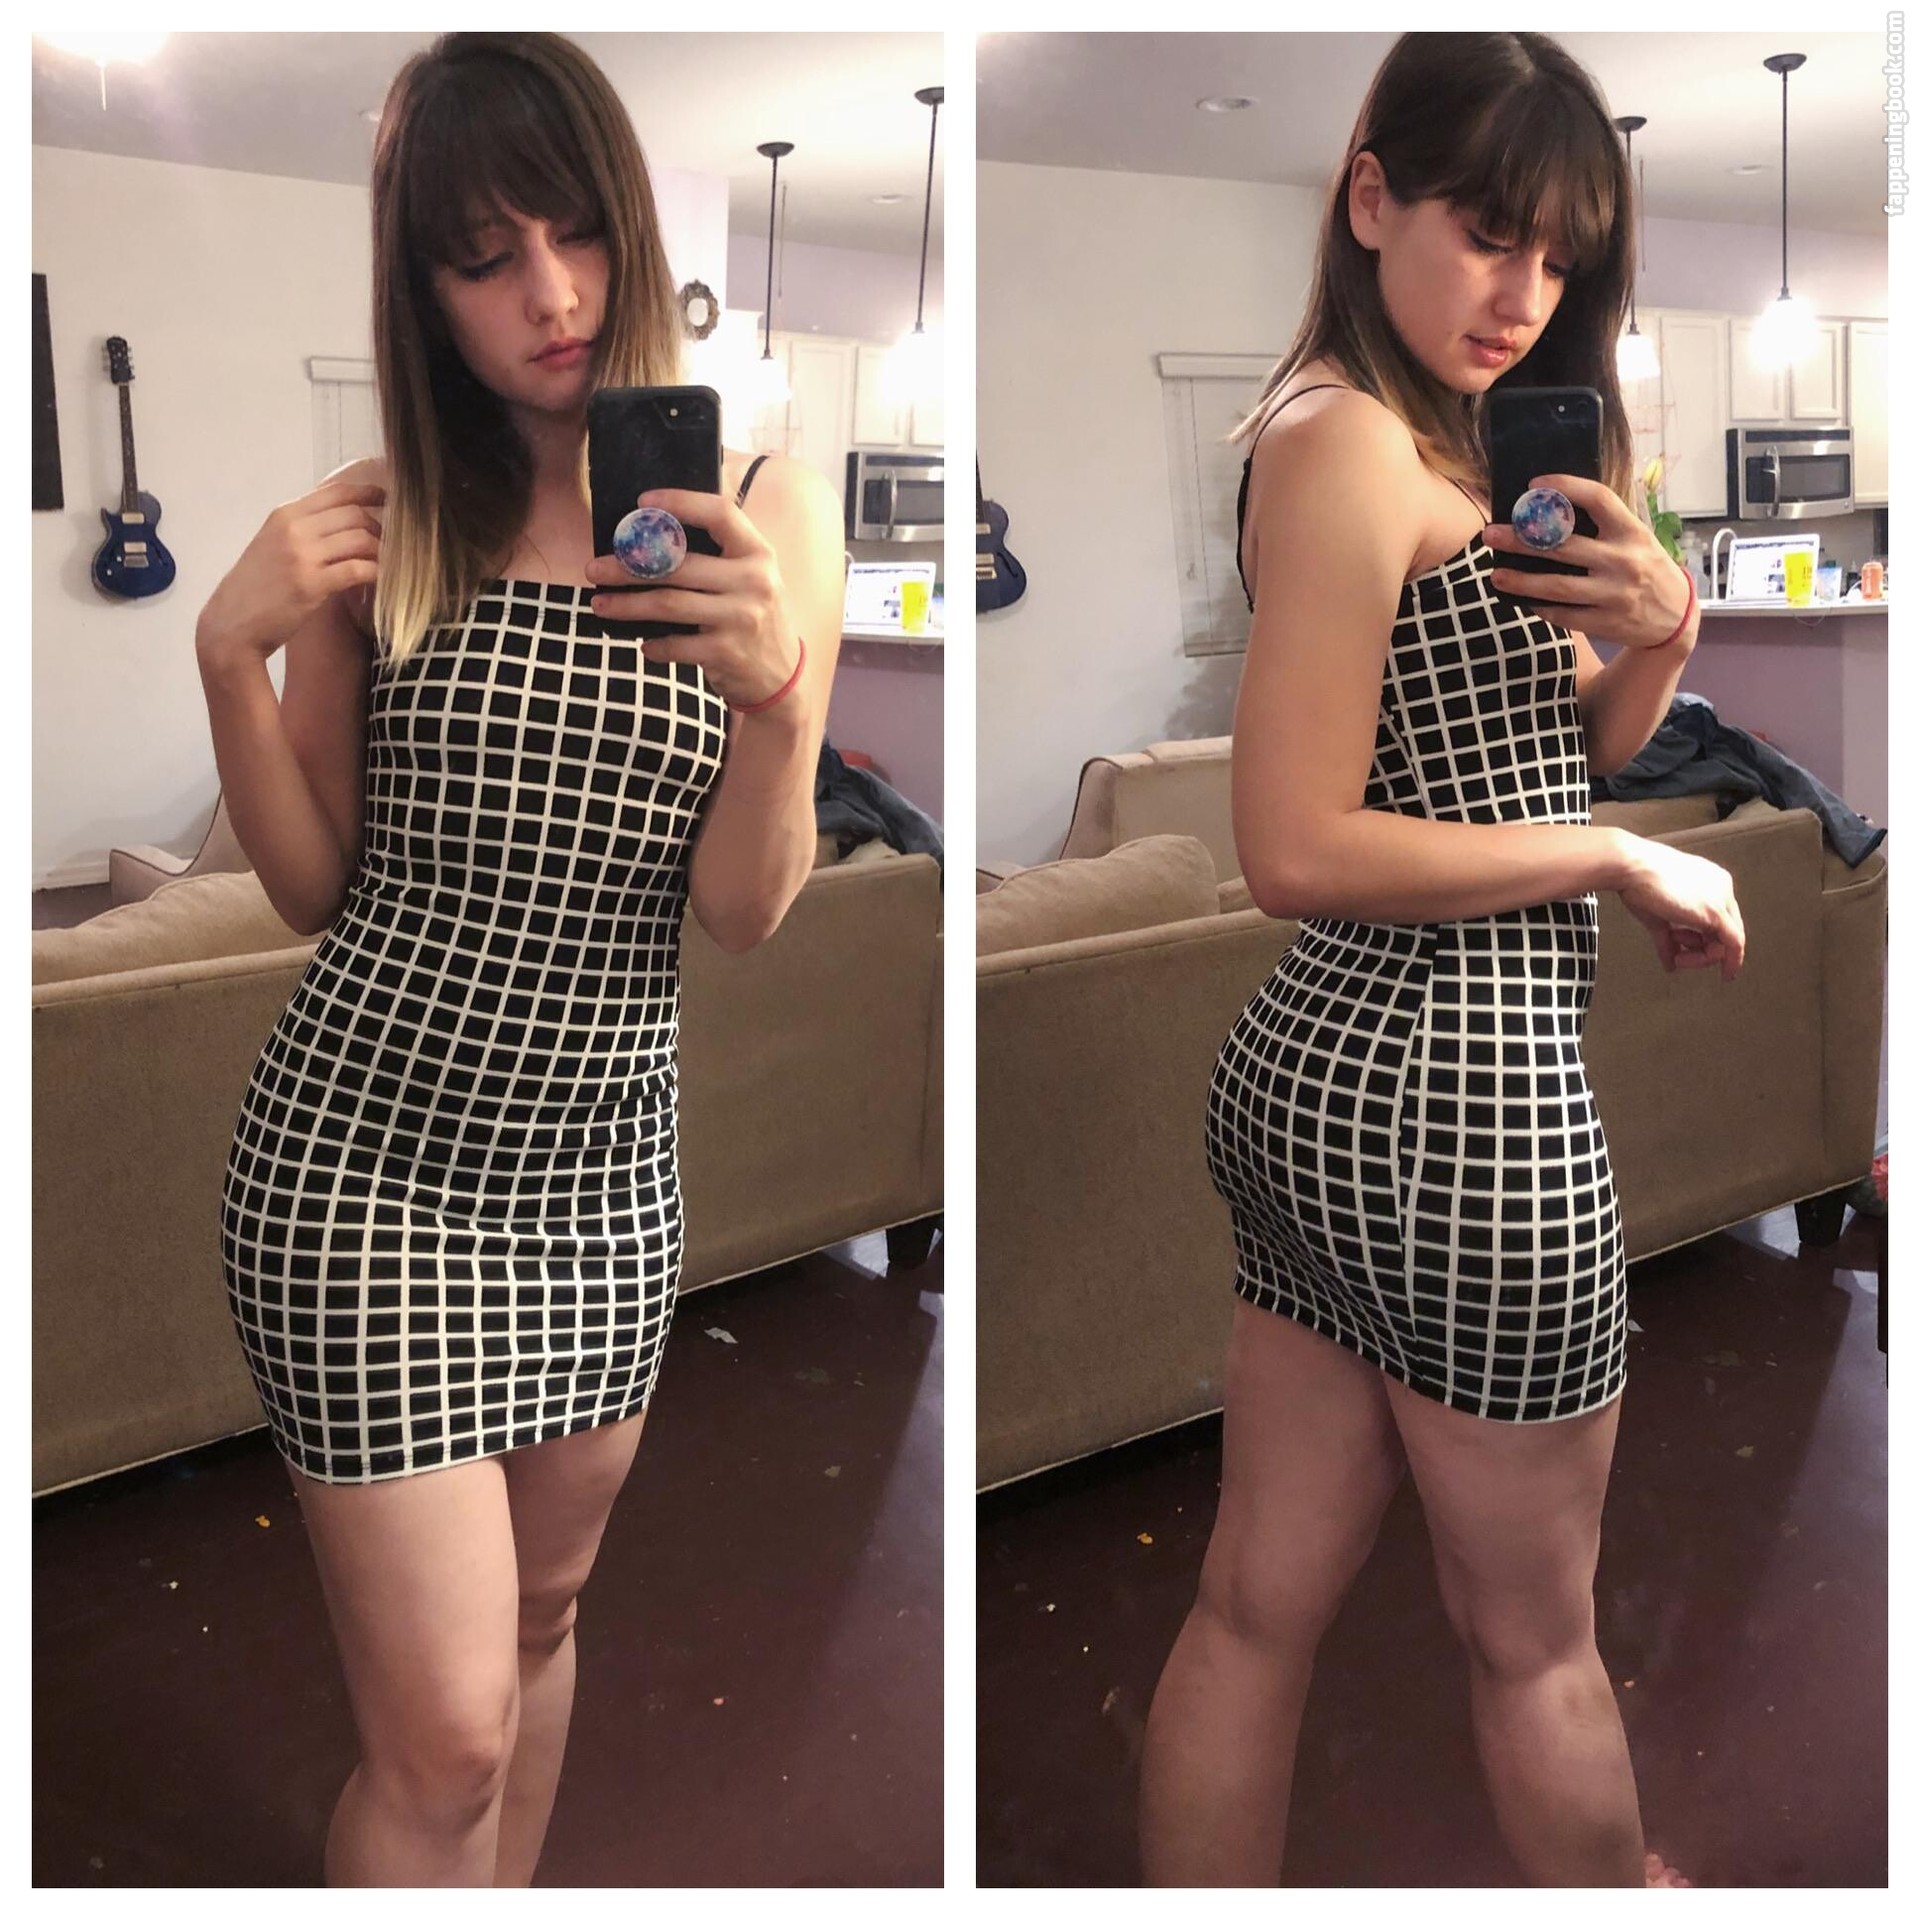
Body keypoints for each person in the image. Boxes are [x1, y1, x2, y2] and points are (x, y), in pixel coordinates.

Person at [195, 33, 844, 1887]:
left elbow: (744, 910)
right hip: (362, 1176)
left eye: (575, 234)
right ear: (425, 290)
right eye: (485, 259)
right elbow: (309, 887)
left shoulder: (765, 508)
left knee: (542, 1630)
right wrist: (229, 658)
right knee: (447, 1735)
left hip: (602, 1190)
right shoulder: (388, 517)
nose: (550, 296)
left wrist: (783, 700)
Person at [1137, 32, 1737, 1889]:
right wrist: (1614, 855)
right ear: (1370, 195)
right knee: (1536, 1643)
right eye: (1489, 232)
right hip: (1463, 1102)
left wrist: (1664, 631)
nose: (1522, 292)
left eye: (1559, 256)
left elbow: (1562, 747)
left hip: (1325, 1094)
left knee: (1257, 1602)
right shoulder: (1341, 441)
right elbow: (1294, 847)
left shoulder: (1447, 448)